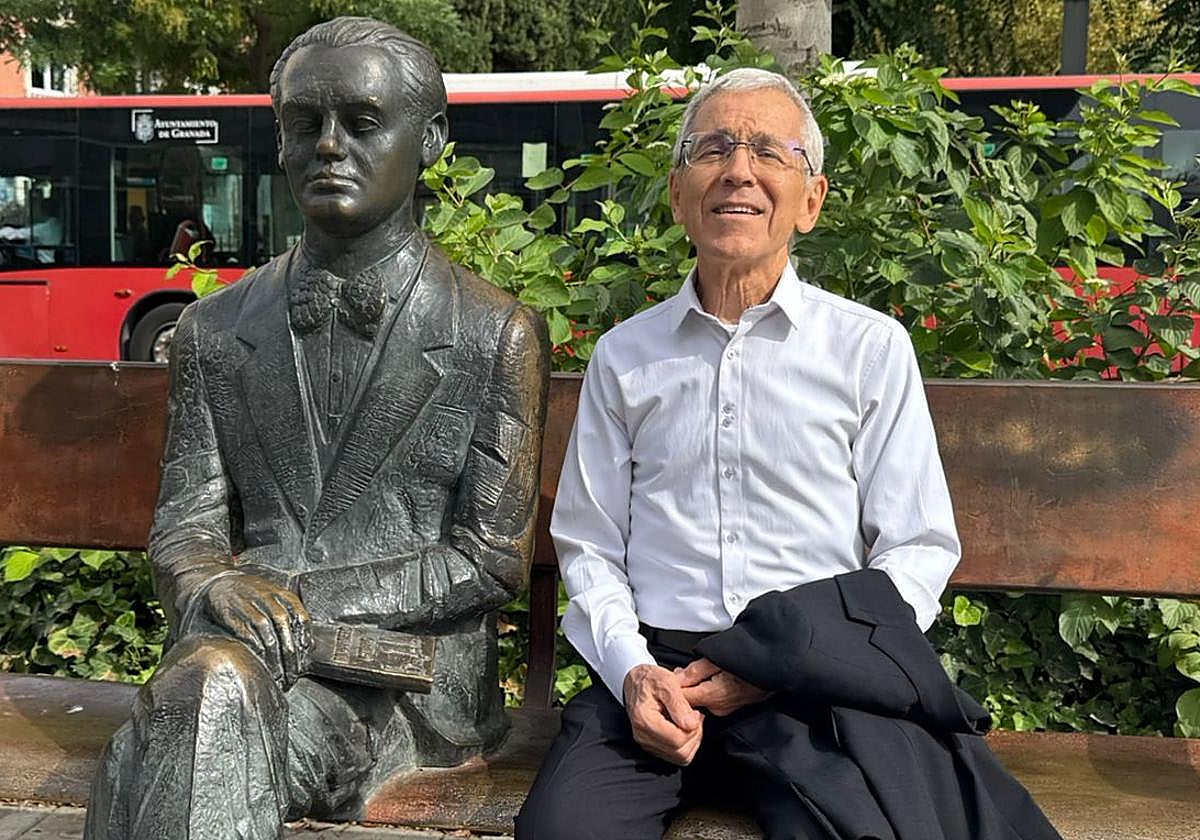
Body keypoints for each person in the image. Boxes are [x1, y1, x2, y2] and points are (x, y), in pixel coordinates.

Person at [516, 68, 1059, 840]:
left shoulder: (868, 350)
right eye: (714, 148)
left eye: (771, 151)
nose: (739, 170)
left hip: (812, 678)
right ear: (677, 195)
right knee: (562, 832)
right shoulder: (625, 358)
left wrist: (780, 662)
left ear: (812, 199)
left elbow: (917, 548)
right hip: (656, 675)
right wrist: (633, 674)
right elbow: (591, 548)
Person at [85, 17, 548, 840]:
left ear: (431, 138)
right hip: (240, 665)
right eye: (304, 124)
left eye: (362, 123)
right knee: (209, 701)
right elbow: (186, 532)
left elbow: (489, 559)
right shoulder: (214, 332)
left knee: (192, 713)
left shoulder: (493, 332)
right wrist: (215, 585)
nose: (328, 146)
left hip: (404, 691)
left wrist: (295, 601)